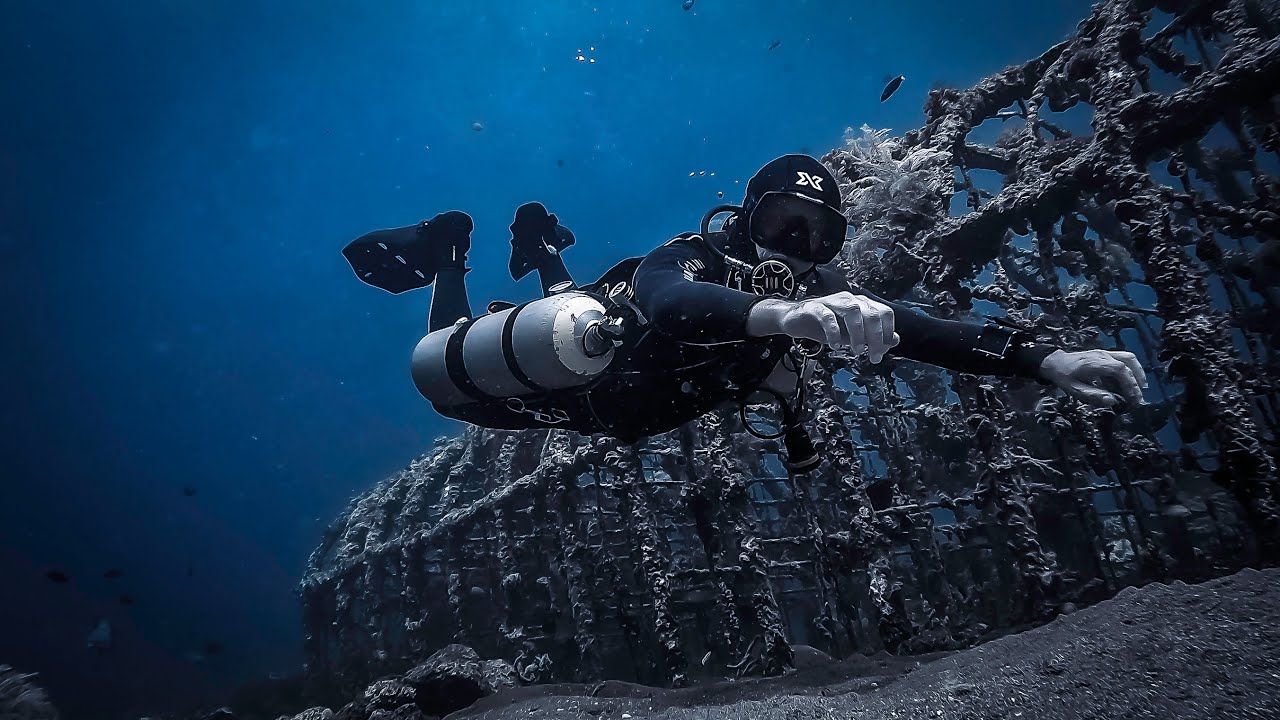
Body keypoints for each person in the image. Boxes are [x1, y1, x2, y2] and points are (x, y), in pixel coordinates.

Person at [343, 155, 1146, 471]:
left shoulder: (804, 322)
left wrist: (1050, 361)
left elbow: (917, 328)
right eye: (779, 226)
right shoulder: (690, 258)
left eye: (816, 236)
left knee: (564, 305)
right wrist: (778, 317)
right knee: (449, 371)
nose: (794, 249)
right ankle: (451, 257)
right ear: (743, 219)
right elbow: (671, 302)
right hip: (558, 388)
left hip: (590, 383)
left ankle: (545, 249)